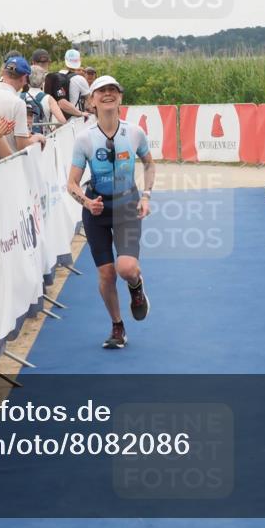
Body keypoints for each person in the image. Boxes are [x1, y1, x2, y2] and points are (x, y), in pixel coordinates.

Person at [66, 75, 154, 349]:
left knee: (126, 268)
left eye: (113, 90)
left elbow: (150, 165)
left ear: (120, 98)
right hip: (97, 211)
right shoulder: (84, 139)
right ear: (92, 100)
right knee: (106, 274)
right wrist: (86, 202)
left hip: (127, 205)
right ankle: (117, 326)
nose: (107, 94)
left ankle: (136, 287)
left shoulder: (135, 133)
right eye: (101, 91)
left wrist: (147, 196)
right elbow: (71, 183)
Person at [0, 55, 47, 151]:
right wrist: (37, 137)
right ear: (24, 78)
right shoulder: (18, 103)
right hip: (11, 160)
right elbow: (22, 145)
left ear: (4, 73)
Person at [23, 66, 67, 133]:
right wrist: (54, 130)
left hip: (24, 138)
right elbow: (62, 121)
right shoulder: (48, 98)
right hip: (44, 139)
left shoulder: (20, 96)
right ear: (43, 80)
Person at [53, 49, 90, 119]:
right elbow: (91, 102)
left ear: (65, 60)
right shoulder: (80, 79)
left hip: (59, 119)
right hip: (75, 119)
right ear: (79, 60)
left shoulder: (56, 76)